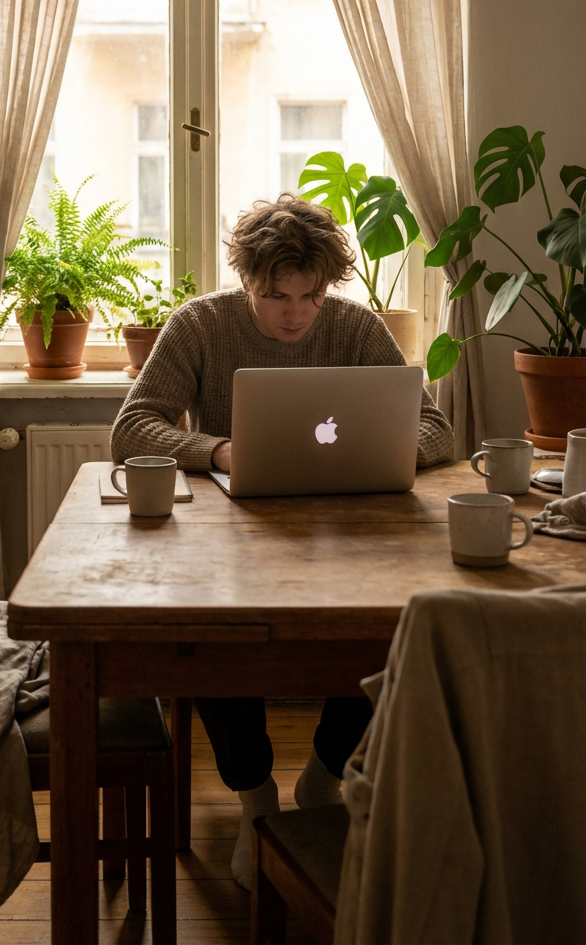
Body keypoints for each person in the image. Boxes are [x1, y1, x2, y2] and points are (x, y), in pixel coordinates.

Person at [111, 195, 453, 889]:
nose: (295, 312)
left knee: (398, 624)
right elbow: (131, 427)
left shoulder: (355, 330)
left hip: (350, 539)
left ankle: (324, 778)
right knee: (207, 635)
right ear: (246, 281)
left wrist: (381, 450)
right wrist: (220, 449)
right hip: (229, 539)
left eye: (309, 295)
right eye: (276, 296)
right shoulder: (201, 325)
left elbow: (436, 430)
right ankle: (255, 799)